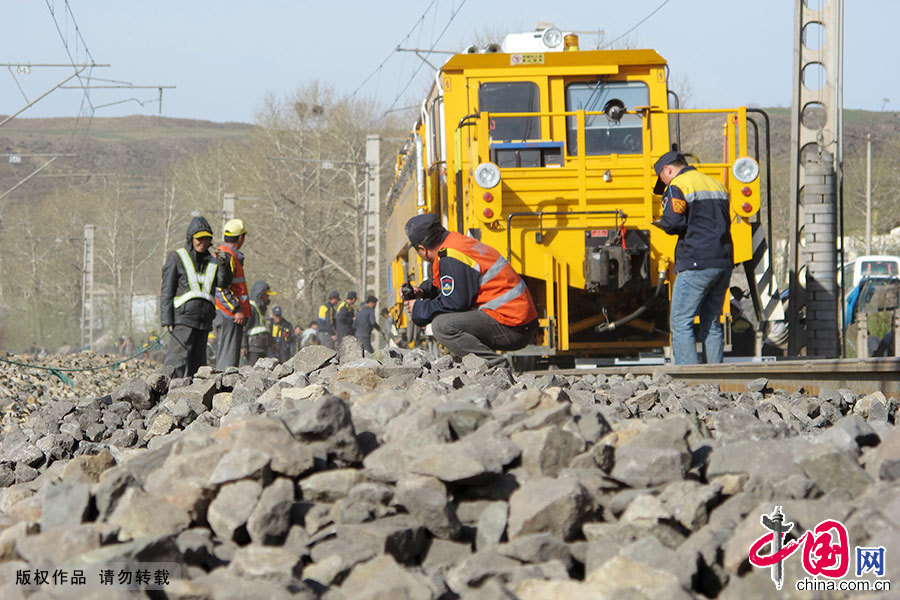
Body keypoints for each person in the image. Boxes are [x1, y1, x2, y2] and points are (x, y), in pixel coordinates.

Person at [403, 213, 539, 366]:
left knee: (441, 326)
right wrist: (423, 291)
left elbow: (455, 303)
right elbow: (452, 284)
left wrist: (419, 308)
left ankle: (496, 367)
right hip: (520, 321)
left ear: (422, 249)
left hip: (514, 327)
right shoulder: (457, 243)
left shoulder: (451, 257)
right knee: (446, 321)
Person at [651, 151, 734, 365]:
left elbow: (672, 222)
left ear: (668, 170)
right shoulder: (716, 185)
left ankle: (690, 380)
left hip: (697, 261)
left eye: (662, 178)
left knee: (680, 321)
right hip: (723, 261)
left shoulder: (679, 185)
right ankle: (715, 376)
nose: (664, 182)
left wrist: (663, 223)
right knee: (711, 321)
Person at [160, 216, 231, 378]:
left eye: (206, 239)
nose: (203, 243)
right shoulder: (176, 258)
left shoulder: (214, 262)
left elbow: (223, 283)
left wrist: (224, 265)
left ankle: (193, 399)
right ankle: (167, 397)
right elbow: (167, 291)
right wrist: (166, 319)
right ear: (191, 238)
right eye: (199, 239)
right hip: (183, 319)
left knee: (198, 365)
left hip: (204, 321)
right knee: (176, 362)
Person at [214, 218, 251, 370]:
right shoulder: (226, 257)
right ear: (241, 237)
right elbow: (220, 289)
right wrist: (236, 309)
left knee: (231, 359)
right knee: (227, 361)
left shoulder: (229, 256)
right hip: (229, 315)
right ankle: (223, 390)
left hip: (231, 315)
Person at [244, 280, 275, 366]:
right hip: (253, 347)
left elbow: (265, 329)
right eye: (266, 295)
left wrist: (272, 342)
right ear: (260, 294)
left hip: (263, 346)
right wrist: (243, 346)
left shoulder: (261, 309)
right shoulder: (251, 308)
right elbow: (244, 328)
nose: (268, 297)